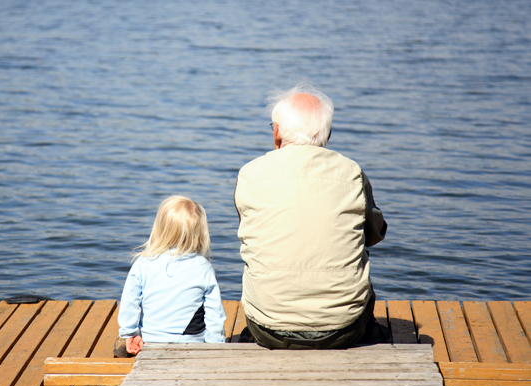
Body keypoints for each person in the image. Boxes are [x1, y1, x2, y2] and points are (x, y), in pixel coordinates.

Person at [234, 84, 390, 350]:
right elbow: (374, 235)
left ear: (276, 132)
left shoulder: (250, 174)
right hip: (344, 329)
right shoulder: (352, 172)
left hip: (266, 328)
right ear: (327, 133)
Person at [115, 195, 226, 357]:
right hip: (192, 343)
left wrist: (130, 333)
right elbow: (214, 315)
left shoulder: (143, 263)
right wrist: (215, 346)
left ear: (160, 228)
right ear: (199, 233)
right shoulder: (204, 267)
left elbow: (130, 302)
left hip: (149, 340)